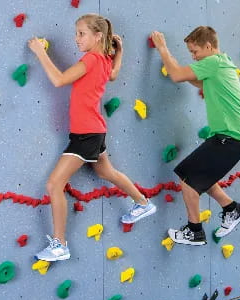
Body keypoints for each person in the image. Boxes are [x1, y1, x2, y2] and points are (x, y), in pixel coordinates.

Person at [28, 14, 156, 261]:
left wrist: (39, 52)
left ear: (98, 36)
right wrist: (120, 52)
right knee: (107, 172)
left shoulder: (91, 59)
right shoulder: (104, 60)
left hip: (86, 133)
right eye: (76, 33)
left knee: (54, 184)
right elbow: (115, 74)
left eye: (81, 33)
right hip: (93, 130)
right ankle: (142, 203)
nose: (76, 39)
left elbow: (59, 80)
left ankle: (60, 244)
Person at [150, 26, 240, 245]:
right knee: (195, 174)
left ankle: (194, 231)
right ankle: (231, 208)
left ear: (208, 46)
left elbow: (177, 75)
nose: (194, 57)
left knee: (188, 178)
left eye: (195, 52)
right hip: (232, 135)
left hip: (231, 136)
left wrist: (163, 49)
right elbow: (196, 81)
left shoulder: (214, 63)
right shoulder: (222, 64)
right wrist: (181, 67)